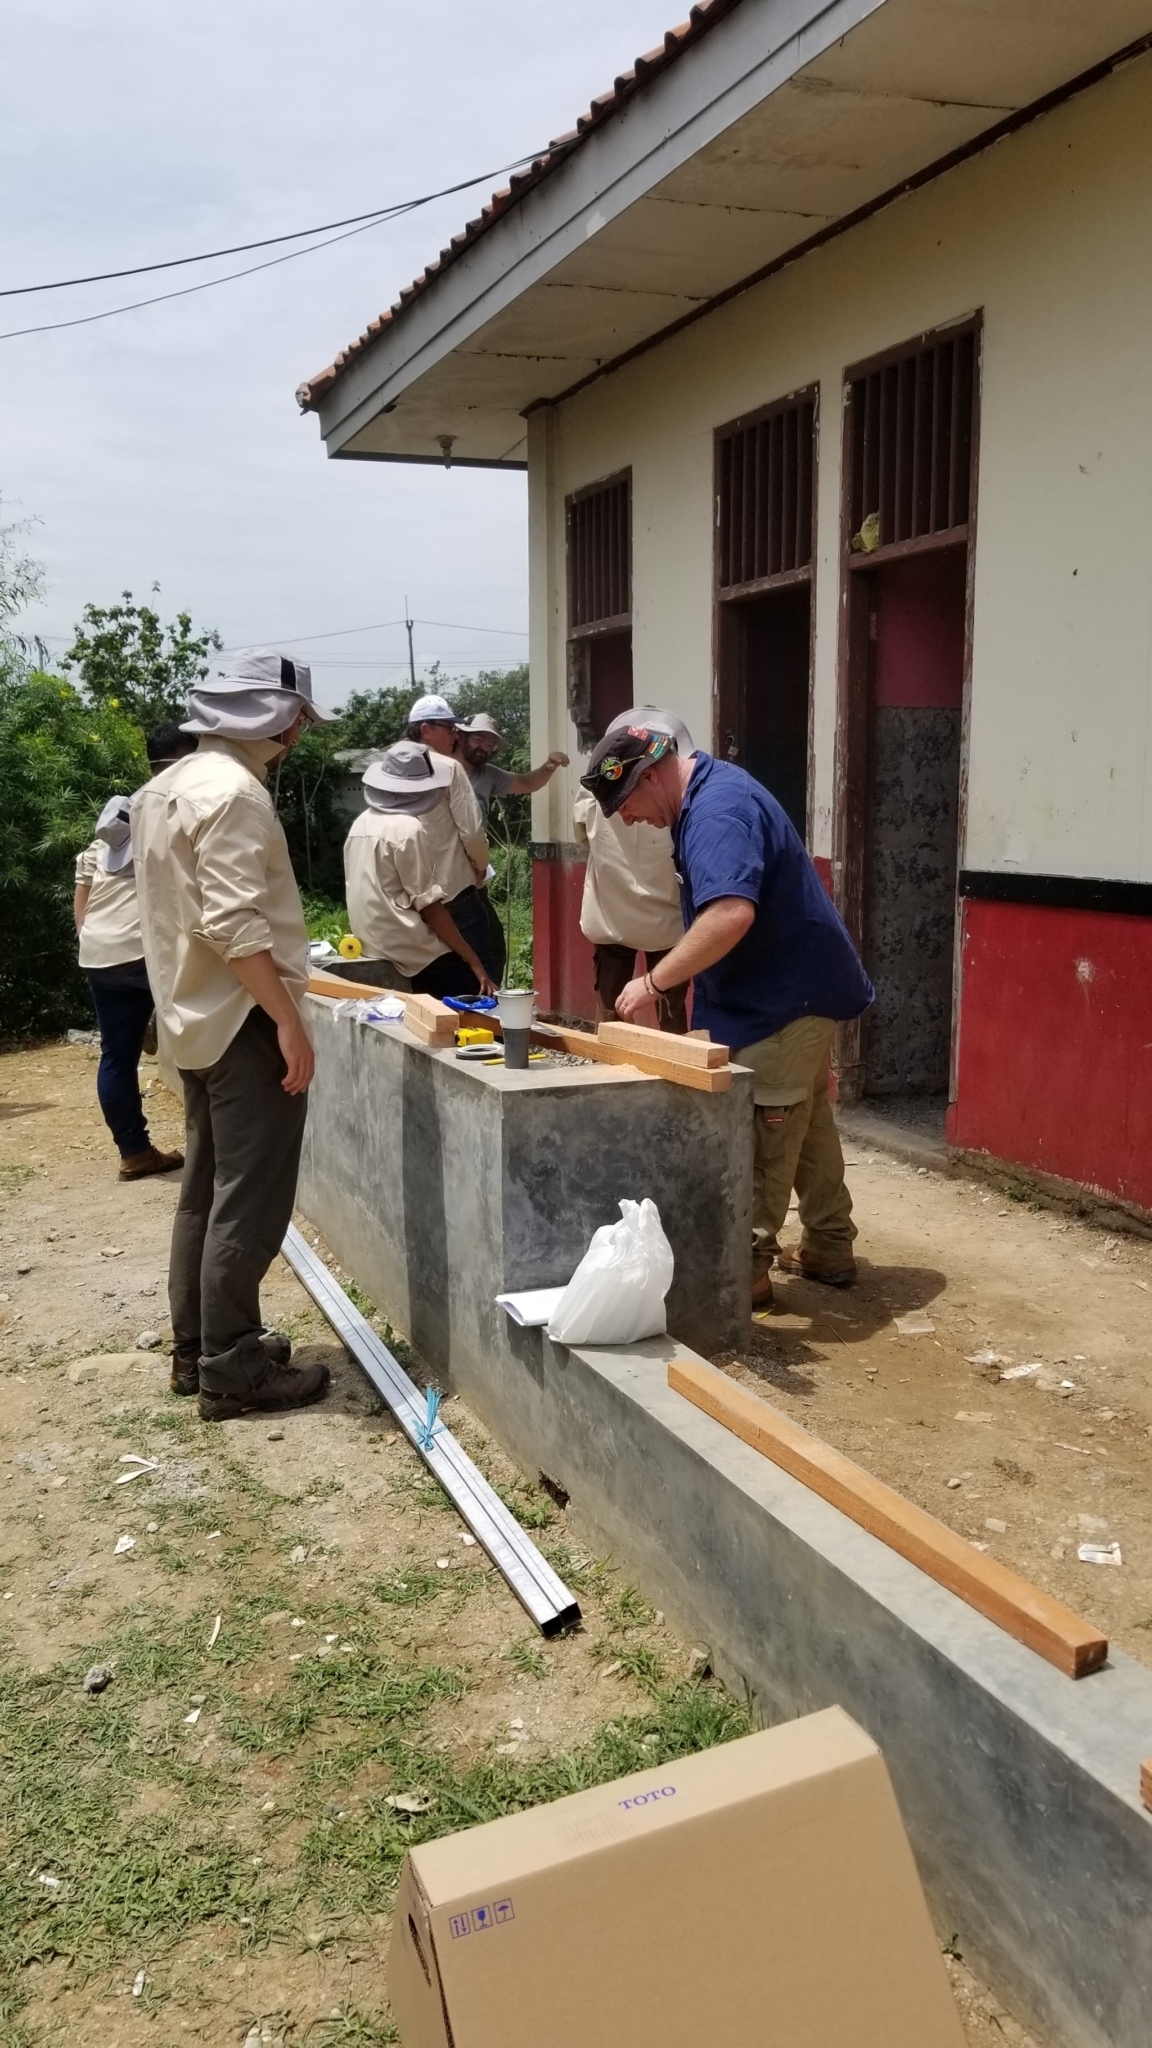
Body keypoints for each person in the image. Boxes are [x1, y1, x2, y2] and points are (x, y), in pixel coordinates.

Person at [580, 720, 874, 1309]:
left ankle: (746, 1274)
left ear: (653, 775)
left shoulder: (716, 813)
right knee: (805, 1118)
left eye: (626, 803)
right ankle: (829, 1243)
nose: (627, 819)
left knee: (765, 1130)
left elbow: (730, 914)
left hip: (785, 1000)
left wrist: (654, 981)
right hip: (787, 988)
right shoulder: (710, 795)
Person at [132, 648, 334, 1421]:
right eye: (299, 721)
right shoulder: (236, 793)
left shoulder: (163, 788)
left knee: (205, 1192)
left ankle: (199, 1349)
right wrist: (287, 1020)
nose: (299, 737)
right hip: (245, 1017)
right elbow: (234, 924)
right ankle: (233, 1369)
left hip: (190, 1015)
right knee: (250, 1198)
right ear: (278, 721)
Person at [74, 788, 185, 1182]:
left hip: (97, 955)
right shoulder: (157, 846)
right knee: (195, 1035)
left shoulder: (94, 852)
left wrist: (93, 943)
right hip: (143, 955)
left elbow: (81, 907)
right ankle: (215, 1142)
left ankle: (135, 1153)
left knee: (116, 1056)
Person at [344, 742, 499, 997]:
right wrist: (474, 961)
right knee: (477, 990)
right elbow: (431, 909)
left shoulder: (361, 822)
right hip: (406, 944)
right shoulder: (408, 829)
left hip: (370, 939)